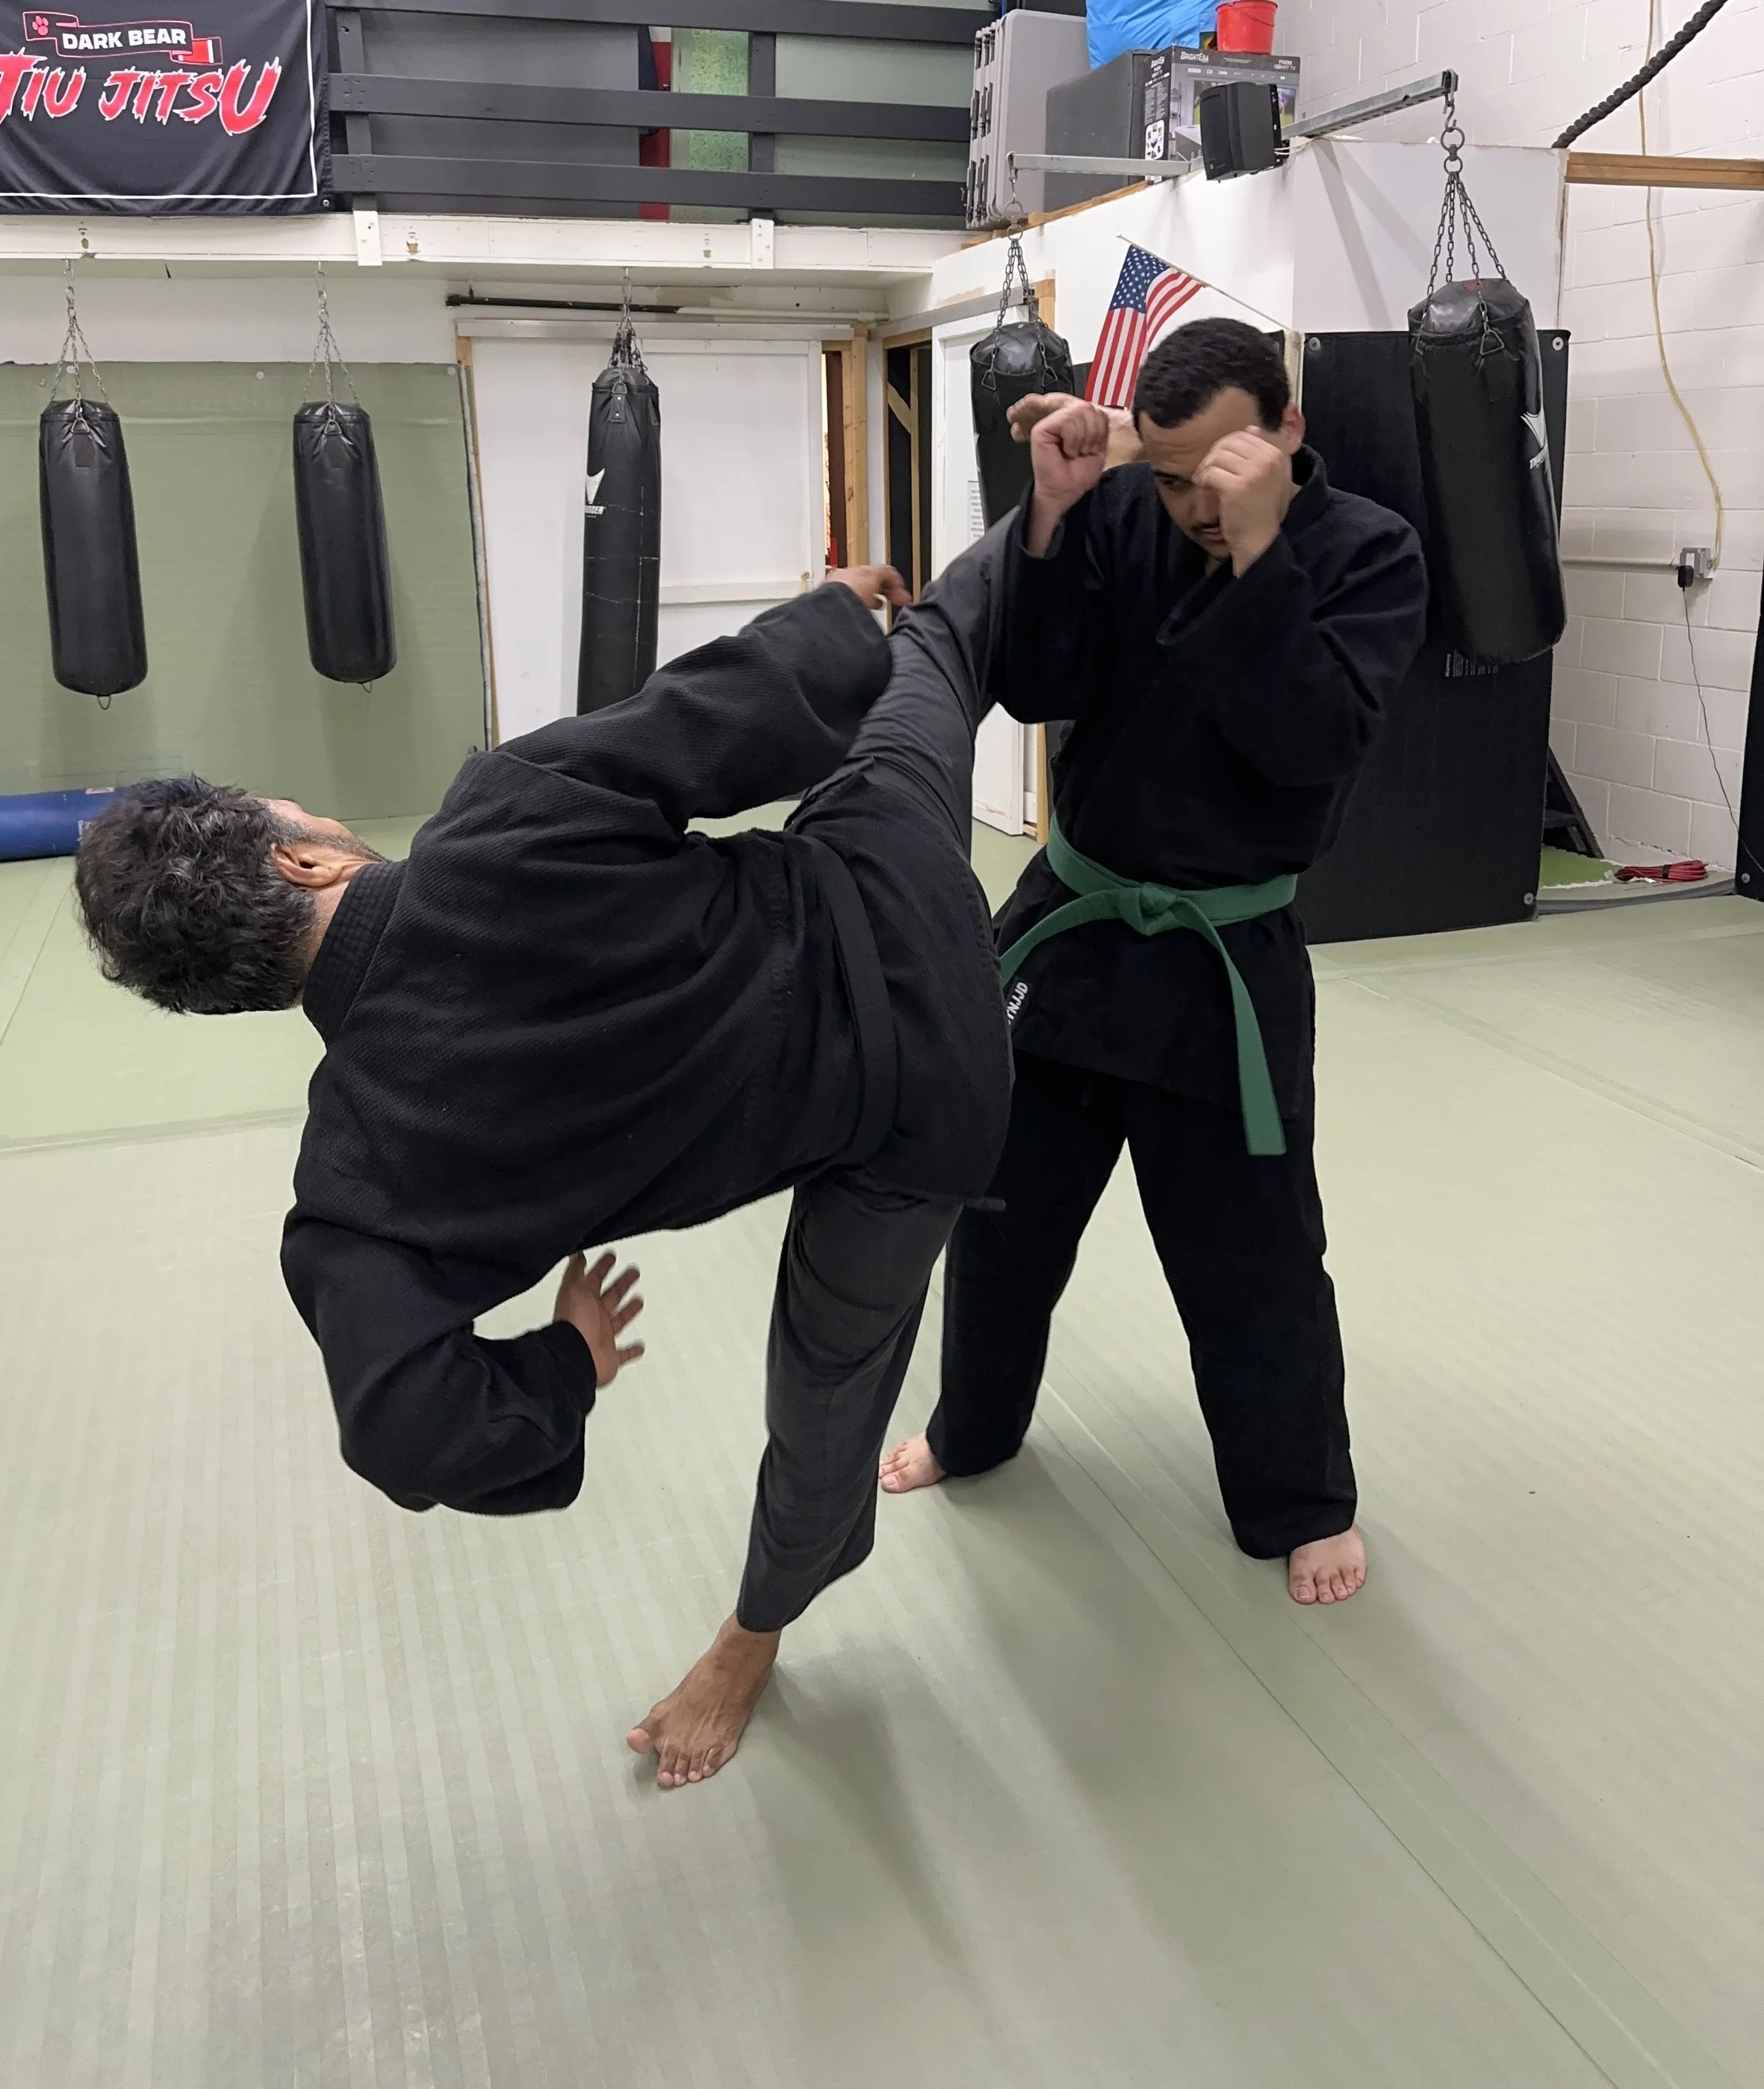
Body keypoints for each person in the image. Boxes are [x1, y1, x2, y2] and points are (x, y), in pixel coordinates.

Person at [74, 549, 1015, 1788]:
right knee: (939, 648)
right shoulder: (504, 809)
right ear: (300, 857)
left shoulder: (356, 1186)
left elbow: (409, 1431)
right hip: (903, 883)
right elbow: (748, 694)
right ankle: (1061, 493)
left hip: (925, 1122)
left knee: (827, 1399)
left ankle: (751, 1641)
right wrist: (845, 612)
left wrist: (565, 1358)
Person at [881, 317, 1428, 1605]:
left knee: (1254, 1257)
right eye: (1166, 472)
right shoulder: (1129, 510)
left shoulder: (1369, 554)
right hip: (1068, 939)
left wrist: (1254, 557)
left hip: (1222, 963)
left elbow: (1307, 744)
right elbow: (1034, 683)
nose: (1184, 502)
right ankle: (975, 1429)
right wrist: (1056, 517)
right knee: (1000, 1222)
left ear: (1285, 430)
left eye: (1208, 475)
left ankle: (1302, 1502)